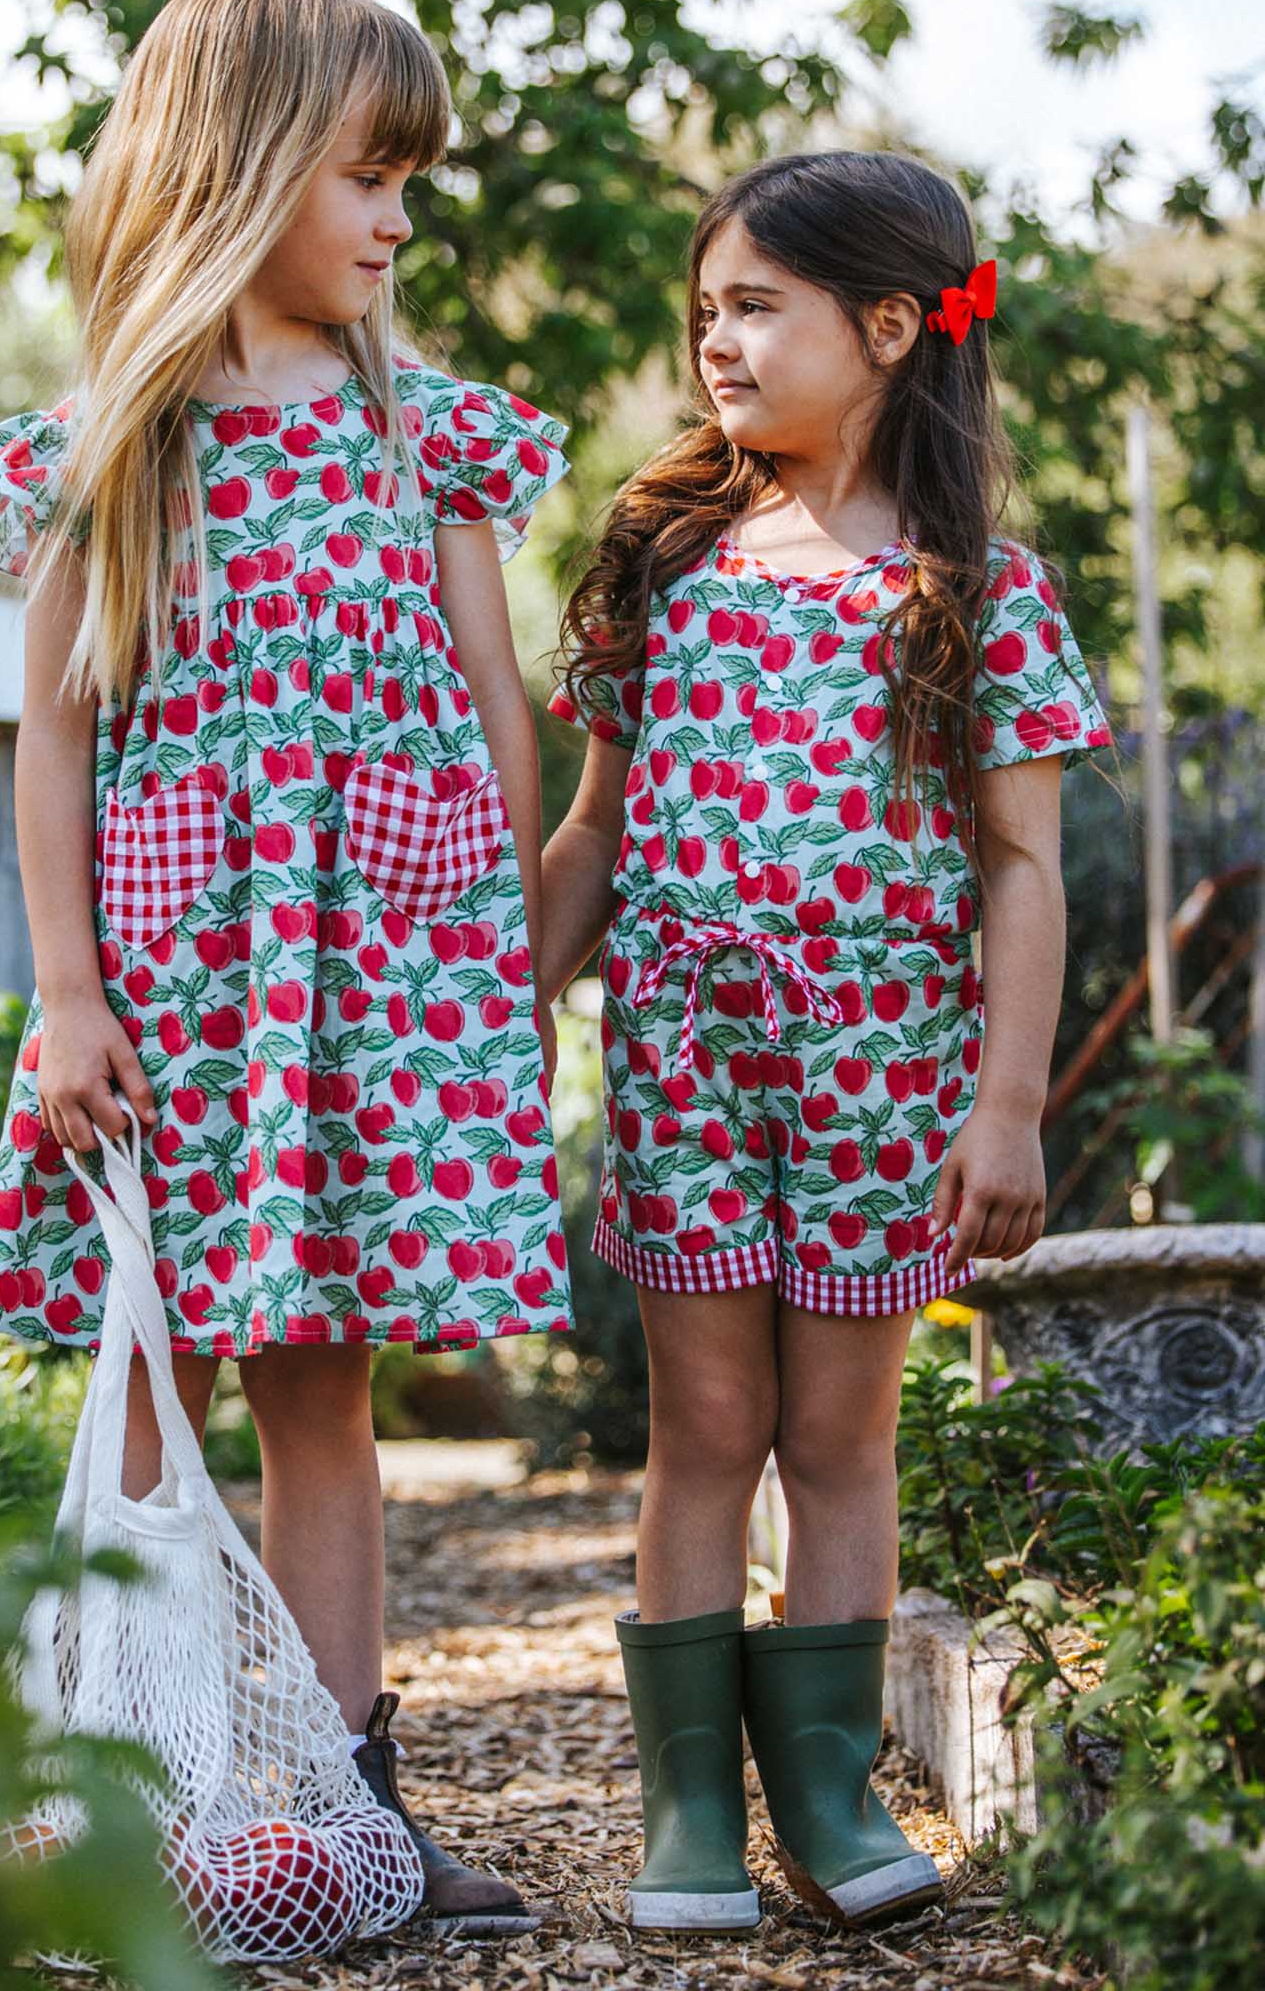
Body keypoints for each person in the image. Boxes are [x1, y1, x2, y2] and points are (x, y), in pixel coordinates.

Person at [0, 0, 572, 1936]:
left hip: (368, 989)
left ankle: (338, 1814)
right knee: (150, 1373)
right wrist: (64, 989)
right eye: (369, 177)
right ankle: (120, 1798)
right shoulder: (109, 444)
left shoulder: (428, 429)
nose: (396, 221)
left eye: (410, 186)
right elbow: (53, 732)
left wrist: (500, 946)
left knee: (326, 1390)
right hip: (172, 990)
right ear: (245, 164)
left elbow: (488, 700)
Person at [540, 151, 1111, 1932]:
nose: (717, 340)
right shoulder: (665, 553)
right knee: (706, 1425)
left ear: (887, 326)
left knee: (842, 1439)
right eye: (705, 309)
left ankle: (831, 1799)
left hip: (890, 1072)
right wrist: (481, 1015)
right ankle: (689, 1813)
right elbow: (590, 835)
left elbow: (1022, 867)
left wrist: (1006, 1107)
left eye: (756, 306)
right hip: (687, 1061)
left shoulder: (978, 588)